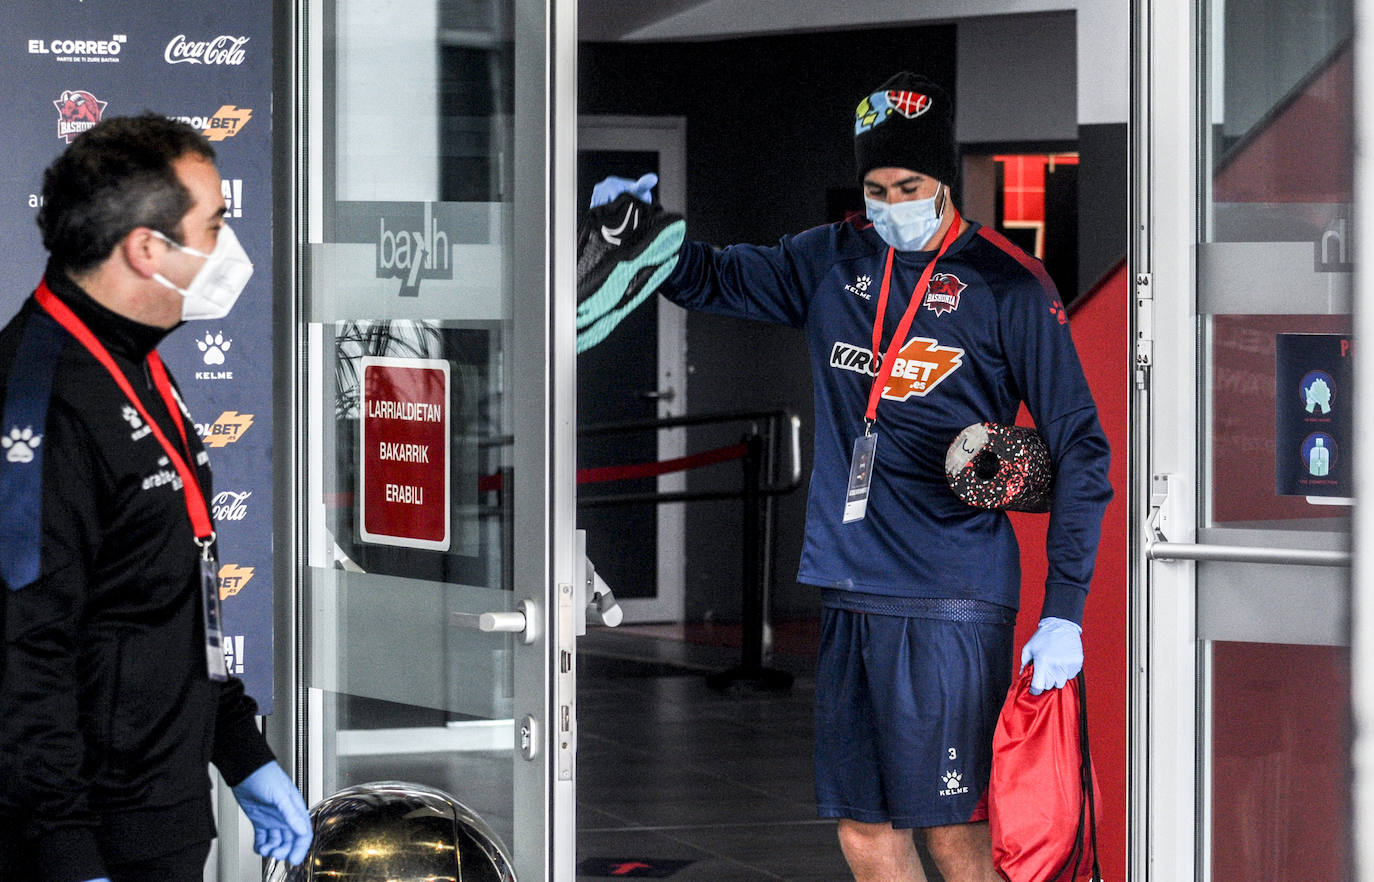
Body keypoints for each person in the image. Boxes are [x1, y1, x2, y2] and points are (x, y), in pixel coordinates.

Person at [583, 73, 1112, 881]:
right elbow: (708, 278)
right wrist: (637, 231)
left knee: (953, 832)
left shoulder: (1009, 285)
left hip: (952, 595)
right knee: (865, 834)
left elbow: (1081, 445)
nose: (891, 202)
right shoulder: (829, 258)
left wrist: (1066, 608)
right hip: (851, 581)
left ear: (944, 181)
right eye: (876, 188)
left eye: (909, 186)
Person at [0, 114, 312, 882]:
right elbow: (22, 657)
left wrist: (240, 751)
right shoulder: (39, 403)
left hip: (159, 815)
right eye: (214, 224)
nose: (227, 248)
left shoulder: (132, 359)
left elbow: (164, 596)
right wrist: (67, 857)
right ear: (147, 248)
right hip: (94, 838)